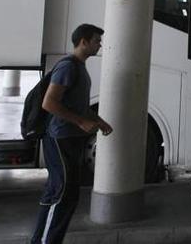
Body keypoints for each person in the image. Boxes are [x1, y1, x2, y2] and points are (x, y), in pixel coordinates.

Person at [32, 24, 113, 244]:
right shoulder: (68, 67)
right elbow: (49, 102)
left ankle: (43, 239)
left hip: (69, 137)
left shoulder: (79, 68)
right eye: (96, 40)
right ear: (83, 41)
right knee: (63, 194)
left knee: (61, 193)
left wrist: (98, 120)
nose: (99, 45)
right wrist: (80, 121)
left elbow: (78, 106)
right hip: (60, 138)